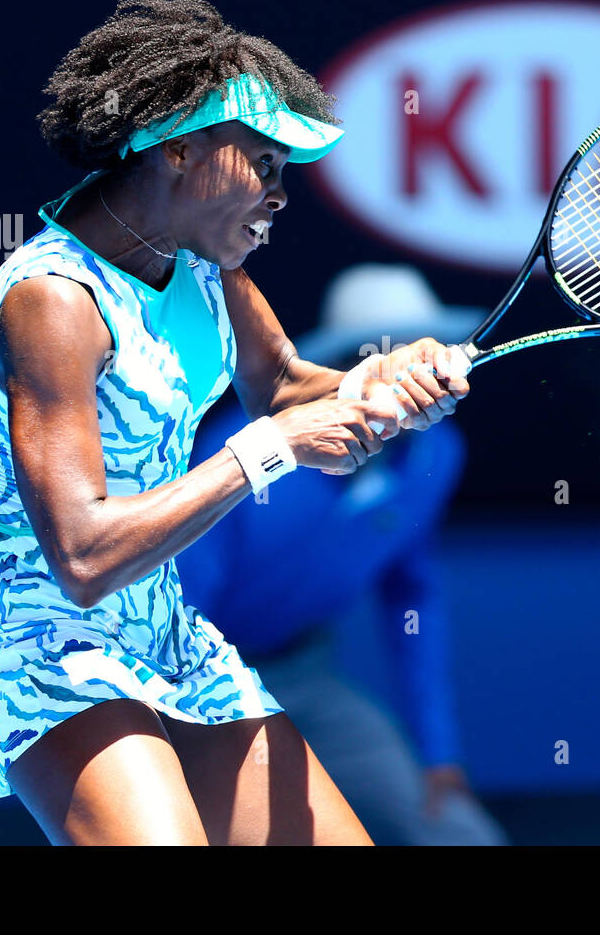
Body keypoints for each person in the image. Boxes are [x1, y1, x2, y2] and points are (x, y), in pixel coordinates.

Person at [0, 0, 470, 846]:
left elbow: (286, 386)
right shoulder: (53, 301)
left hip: (159, 629)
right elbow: (82, 555)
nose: (281, 194)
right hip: (21, 633)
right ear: (179, 150)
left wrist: (380, 380)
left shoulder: (204, 270)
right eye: (264, 163)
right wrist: (271, 449)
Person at [176, 265, 508, 845]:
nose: (414, 382)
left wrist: (438, 753)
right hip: (193, 686)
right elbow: (178, 612)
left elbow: (412, 596)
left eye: (422, 356)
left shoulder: (438, 455)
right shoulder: (237, 454)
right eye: (389, 358)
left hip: (307, 675)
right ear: (351, 370)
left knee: (459, 836)